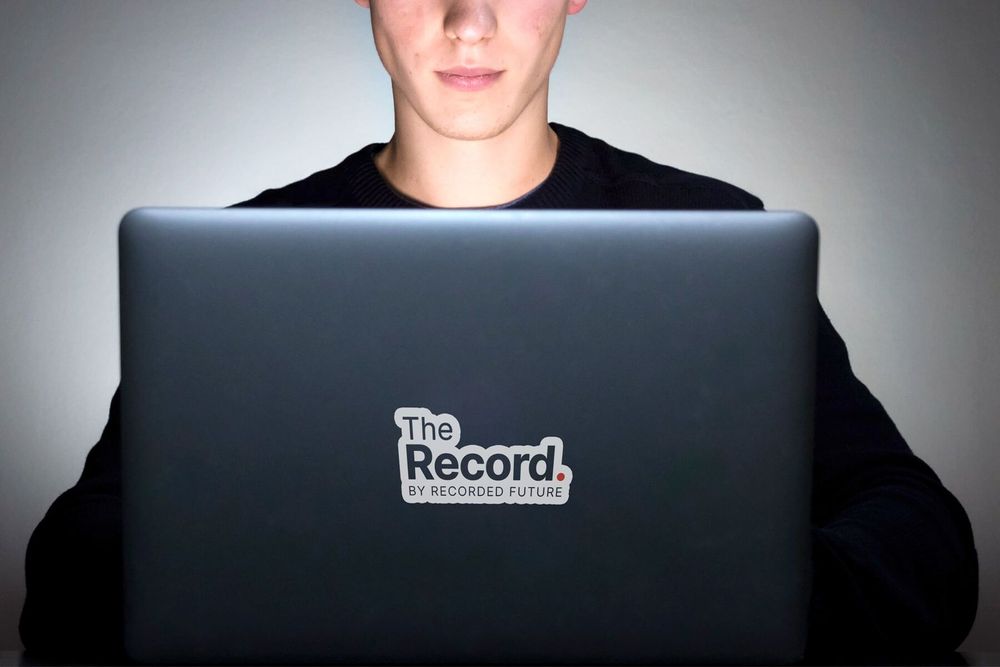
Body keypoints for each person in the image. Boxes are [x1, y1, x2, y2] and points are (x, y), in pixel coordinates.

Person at [20, 0, 978, 661]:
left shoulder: (713, 242)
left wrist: (738, 600)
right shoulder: (232, 272)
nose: (466, 19)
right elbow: (71, 567)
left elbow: (923, 536)